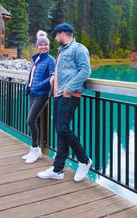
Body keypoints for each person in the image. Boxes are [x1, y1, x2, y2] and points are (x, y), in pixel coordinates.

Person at [37, 23, 91, 181]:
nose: (54, 38)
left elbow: (86, 70)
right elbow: (65, 70)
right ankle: (58, 169)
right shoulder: (63, 51)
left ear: (63, 33)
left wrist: (69, 88)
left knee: (62, 128)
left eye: (56, 34)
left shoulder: (78, 48)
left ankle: (84, 160)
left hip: (69, 94)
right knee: (61, 130)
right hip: (58, 94)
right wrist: (54, 76)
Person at [23, 30, 55, 164]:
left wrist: (38, 86)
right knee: (34, 121)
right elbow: (31, 75)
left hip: (41, 94)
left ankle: (35, 149)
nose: (43, 47)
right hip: (32, 93)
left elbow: (52, 77)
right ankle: (35, 150)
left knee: (30, 121)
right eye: (41, 45)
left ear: (48, 46)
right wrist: (28, 86)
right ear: (37, 46)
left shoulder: (50, 60)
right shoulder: (35, 59)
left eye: (45, 45)